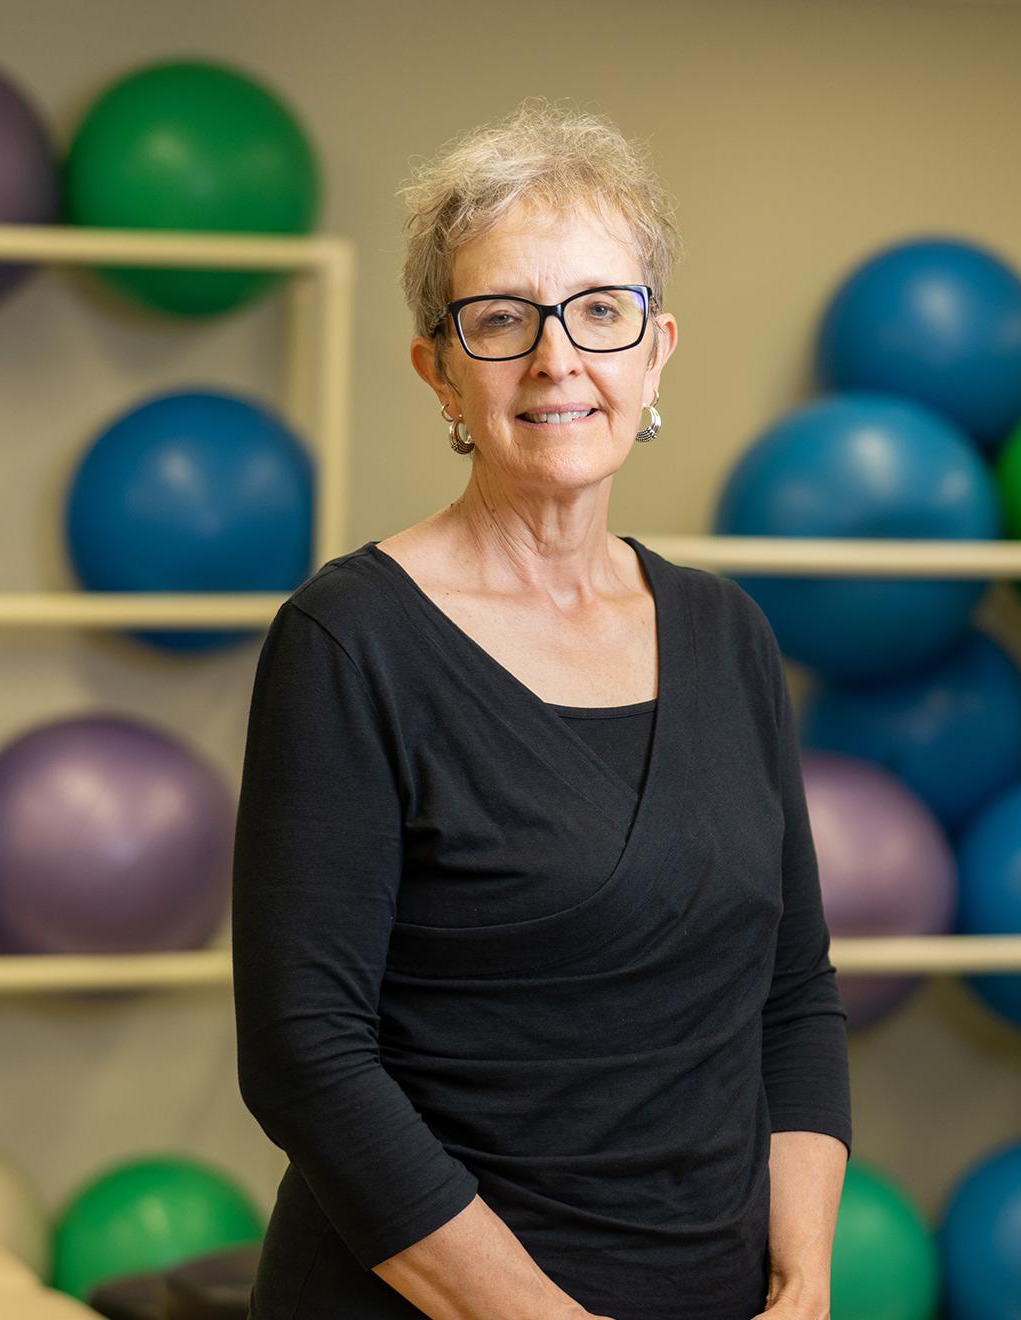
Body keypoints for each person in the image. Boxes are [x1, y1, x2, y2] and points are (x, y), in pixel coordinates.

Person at [231, 101, 851, 1320]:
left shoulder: (727, 635)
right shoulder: (349, 642)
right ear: (439, 367)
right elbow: (307, 1060)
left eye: (600, 312)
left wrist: (804, 1277)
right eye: (502, 319)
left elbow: (794, 992)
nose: (558, 361)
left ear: (656, 349)